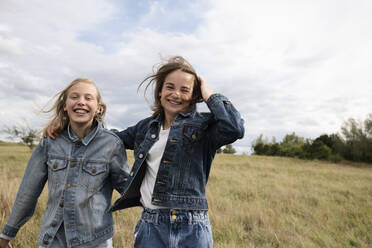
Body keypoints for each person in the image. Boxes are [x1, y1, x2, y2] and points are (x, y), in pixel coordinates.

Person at [109, 56, 245, 247]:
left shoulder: (204, 126)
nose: (176, 94)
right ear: (160, 91)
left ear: (194, 96)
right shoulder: (145, 128)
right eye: (170, 87)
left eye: (185, 90)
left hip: (192, 225)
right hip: (152, 225)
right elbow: (111, 139)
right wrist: (67, 126)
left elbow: (234, 128)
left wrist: (210, 95)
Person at [0, 78, 129, 248]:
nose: (81, 102)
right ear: (65, 106)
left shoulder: (111, 144)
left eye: (88, 98)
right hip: (53, 240)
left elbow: (128, 188)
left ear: (98, 107)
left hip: (95, 241)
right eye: (74, 97)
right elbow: (28, 191)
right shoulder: (50, 141)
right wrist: (8, 233)